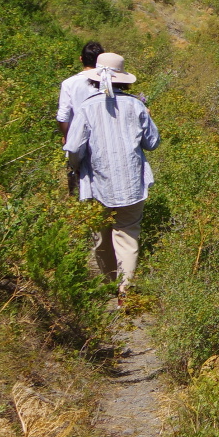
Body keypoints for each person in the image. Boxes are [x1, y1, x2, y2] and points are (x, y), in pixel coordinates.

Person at [64, 52, 159, 296]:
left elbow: (74, 147)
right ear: (124, 79)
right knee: (127, 235)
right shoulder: (136, 105)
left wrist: (75, 167)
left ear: (96, 78)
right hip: (132, 183)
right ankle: (124, 290)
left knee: (101, 237)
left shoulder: (86, 108)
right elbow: (152, 142)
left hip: (97, 185)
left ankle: (109, 284)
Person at [57, 41, 105, 196]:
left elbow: (63, 116)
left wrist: (67, 136)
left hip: (77, 139)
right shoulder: (107, 84)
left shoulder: (69, 83)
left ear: (80, 59)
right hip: (103, 138)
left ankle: (77, 211)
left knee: (76, 182)